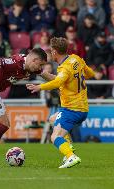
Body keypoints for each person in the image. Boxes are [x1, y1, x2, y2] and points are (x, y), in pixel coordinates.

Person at [26, 37, 94, 168]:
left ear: (54, 52)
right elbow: (90, 73)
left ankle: (70, 156)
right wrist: (43, 73)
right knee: (52, 119)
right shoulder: (76, 59)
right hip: (82, 108)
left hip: (71, 109)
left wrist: (39, 87)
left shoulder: (64, 68)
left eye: (51, 51)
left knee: (54, 137)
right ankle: (69, 149)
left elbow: (58, 82)